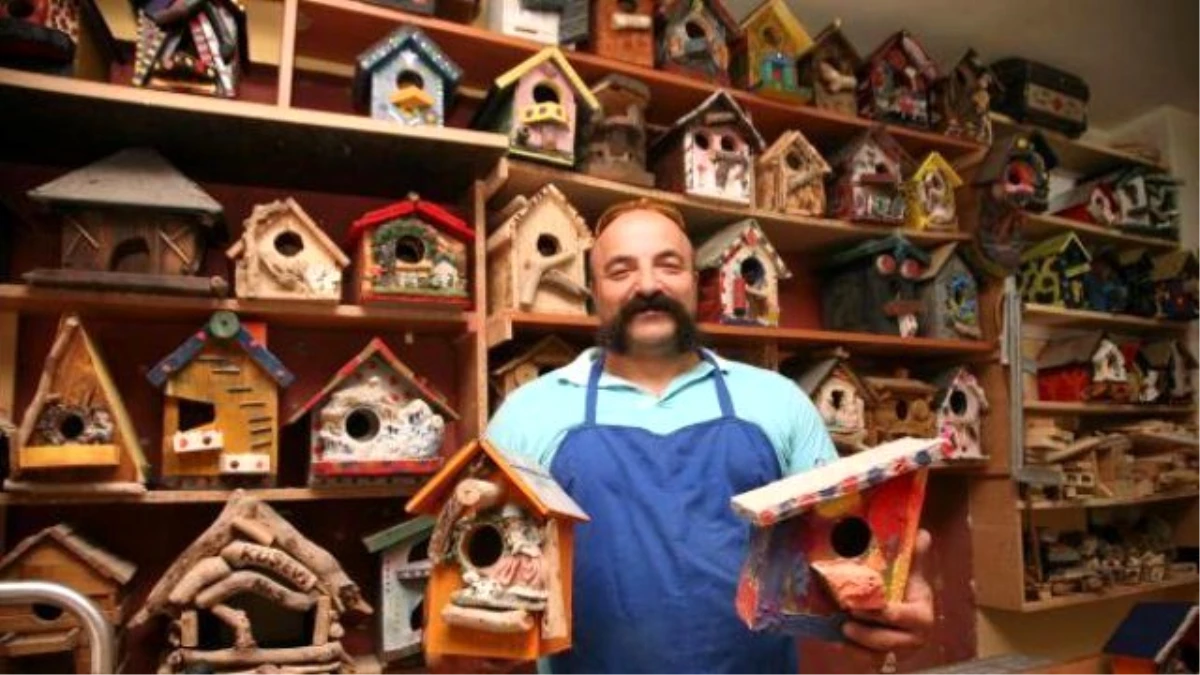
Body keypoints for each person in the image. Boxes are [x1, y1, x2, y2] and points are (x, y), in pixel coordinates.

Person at [441, 199, 934, 674]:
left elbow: (844, 541)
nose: (647, 284)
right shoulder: (529, 413)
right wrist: (466, 647)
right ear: (594, 293)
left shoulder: (778, 402)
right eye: (621, 270)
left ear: (695, 284)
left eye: (668, 265)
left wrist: (890, 602)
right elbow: (470, 564)